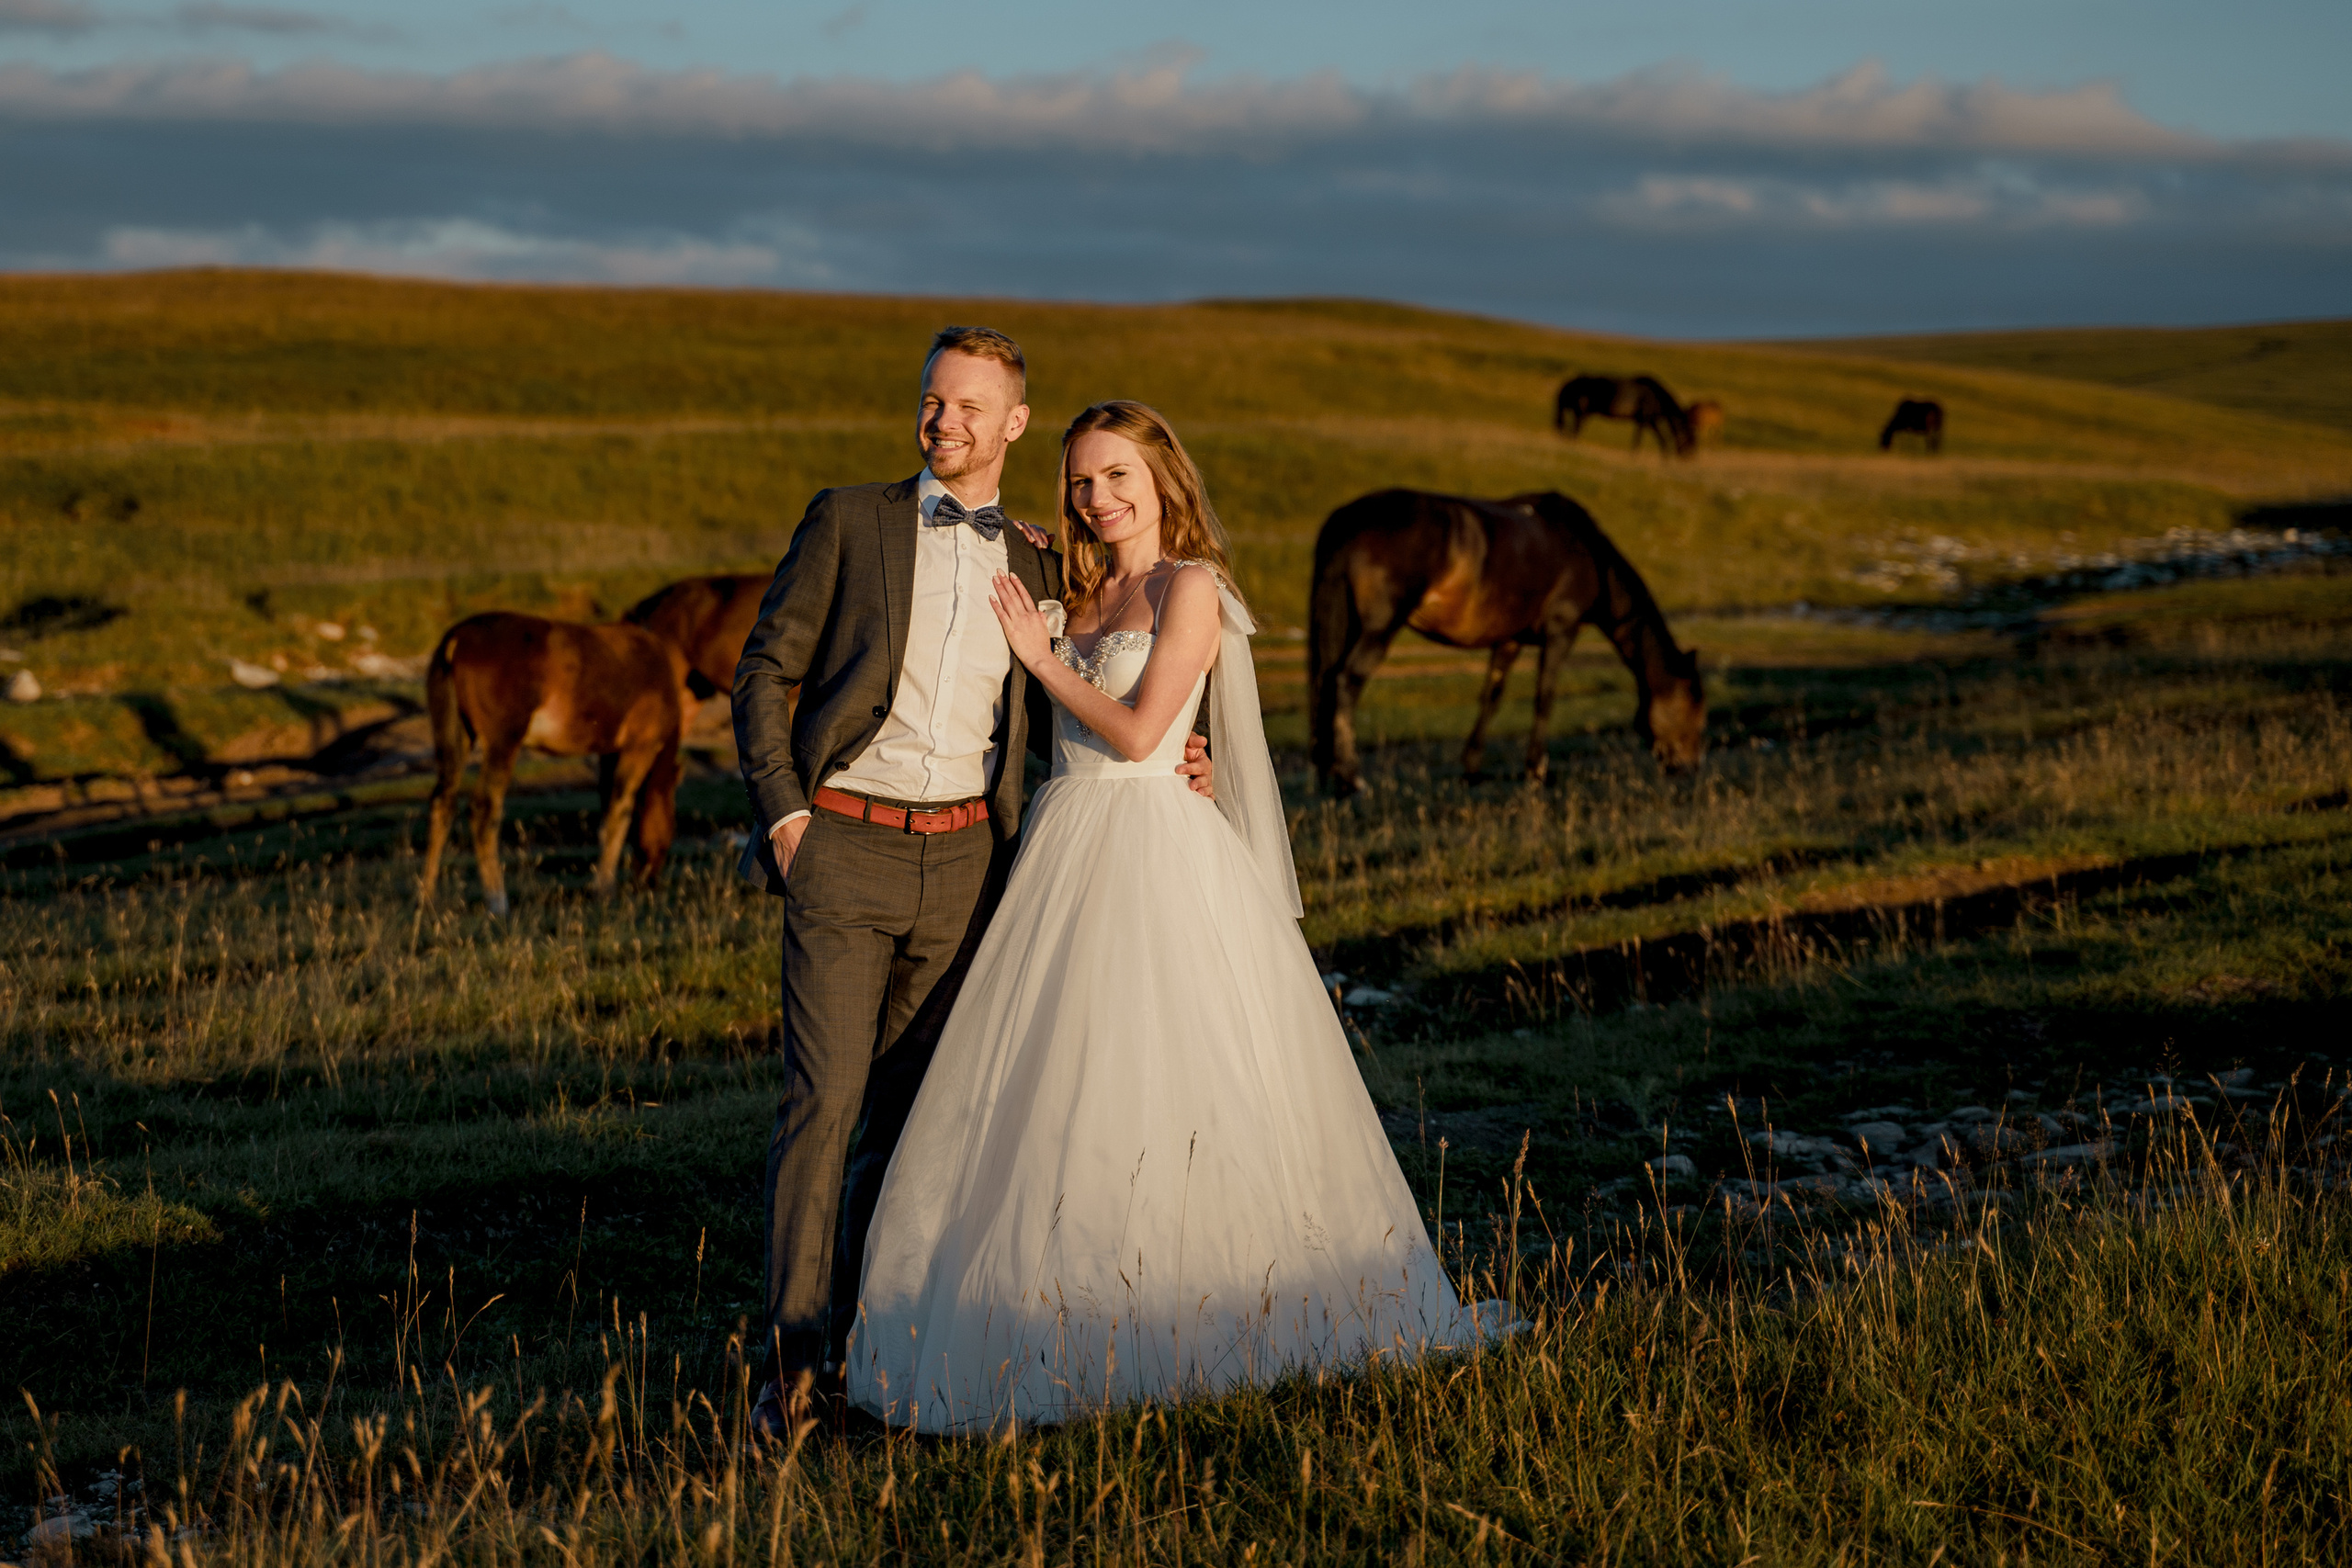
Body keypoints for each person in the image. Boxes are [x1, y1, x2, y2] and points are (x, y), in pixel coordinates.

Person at [844, 400, 1502, 1435]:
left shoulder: (1190, 587)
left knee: (1171, 1071)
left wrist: (1046, 659)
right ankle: (1049, 1309)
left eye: (1118, 478)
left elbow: (1151, 732)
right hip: (1064, 847)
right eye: (1080, 483)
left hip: (1153, 850)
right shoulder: (1081, 590)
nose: (1099, 499)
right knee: (1053, 1082)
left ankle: (1201, 1315)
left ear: (1162, 483)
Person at [730, 332, 1216, 1437]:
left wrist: (1193, 754)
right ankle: (794, 1377)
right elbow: (764, 670)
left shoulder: (1049, 563)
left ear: (1010, 427)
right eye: (930, 401)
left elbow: (1109, 683)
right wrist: (788, 815)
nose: (941, 421)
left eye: (966, 407)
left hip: (969, 866)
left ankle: (878, 1353)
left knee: (916, 1124)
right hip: (843, 844)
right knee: (823, 1110)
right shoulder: (848, 520)